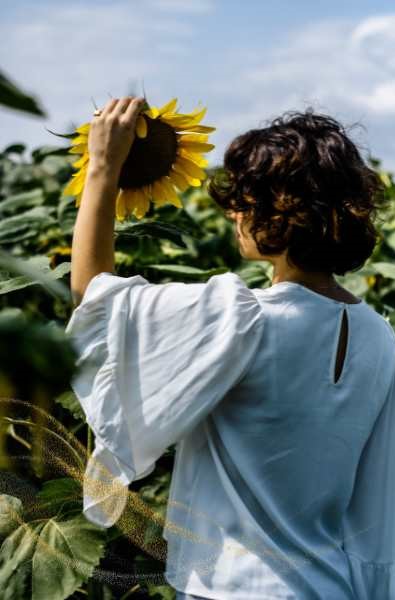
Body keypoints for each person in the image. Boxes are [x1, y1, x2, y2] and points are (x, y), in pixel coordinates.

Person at [65, 97, 395, 599]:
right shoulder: (380, 334)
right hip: (333, 586)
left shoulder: (240, 318)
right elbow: (376, 499)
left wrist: (103, 169)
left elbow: (95, 300)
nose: (235, 212)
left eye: (247, 200)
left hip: (232, 588)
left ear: (282, 214)